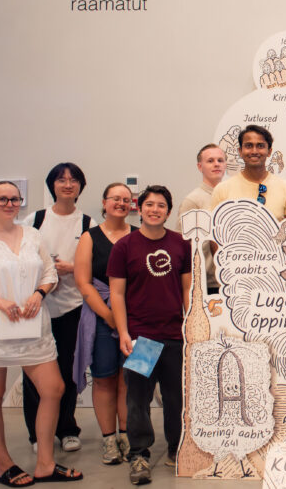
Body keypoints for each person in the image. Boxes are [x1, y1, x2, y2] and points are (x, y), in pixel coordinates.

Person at [0, 181, 82, 486]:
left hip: (30, 325)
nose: (9, 204)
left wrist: (39, 293)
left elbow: (48, 272)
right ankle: (4, 464)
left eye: (14, 199)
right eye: (1, 199)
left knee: (53, 388)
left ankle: (46, 463)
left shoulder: (33, 236)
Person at [108, 186, 191, 485]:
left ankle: (176, 448)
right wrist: (123, 333)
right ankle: (139, 454)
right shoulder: (125, 247)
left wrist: (190, 326)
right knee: (137, 400)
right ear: (139, 209)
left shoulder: (181, 244)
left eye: (161, 205)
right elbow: (116, 294)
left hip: (174, 336)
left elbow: (186, 289)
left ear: (168, 211)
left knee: (175, 399)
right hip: (141, 338)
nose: (155, 209)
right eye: (149, 204)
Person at [21, 163, 91, 455]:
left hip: (73, 307)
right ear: (52, 185)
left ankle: (66, 429)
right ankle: (38, 435)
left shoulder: (88, 223)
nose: (67, 184)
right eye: (61, 180)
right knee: (35, 372)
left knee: (68, 371)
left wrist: (72, 268)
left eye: (73, 180)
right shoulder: (35, 219)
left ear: (80, 186)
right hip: (36, 306)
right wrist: (47, 270)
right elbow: (21, 259)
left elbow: (93, 266)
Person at [73, 183, 136, 465]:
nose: (121, 203)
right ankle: (109, 439)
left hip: (136, 317)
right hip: (100, 316)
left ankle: (127, 435)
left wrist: (125, 320)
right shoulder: (90, 237)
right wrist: (110, 317)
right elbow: (84, 284)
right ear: (104, 202)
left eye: (126, 199)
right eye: (116, 199)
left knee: (130, 380)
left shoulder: (138, 235)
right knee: (103, 377)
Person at [211, 125, 286, 224]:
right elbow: (214, 236)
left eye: (260, 146)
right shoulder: (222, 190)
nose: (254, 151)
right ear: (240, 151)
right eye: (249, 146)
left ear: (269, 151)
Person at [176, 144, 226, 293]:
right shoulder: (193, 200)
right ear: (200, 166)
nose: (216, 164)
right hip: (208, 284)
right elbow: (182, 244)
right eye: (210, 161)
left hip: (232, 280)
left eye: (220, 160)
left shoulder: (231, 196)